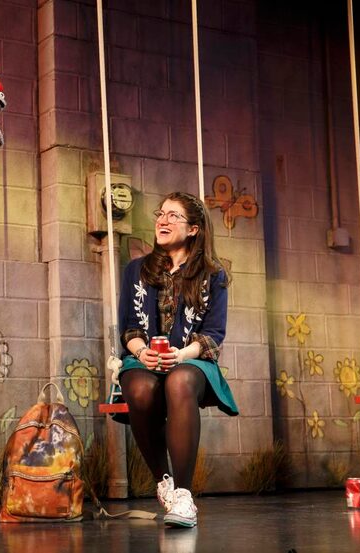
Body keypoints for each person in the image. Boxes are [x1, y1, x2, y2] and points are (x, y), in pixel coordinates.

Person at [117, 191, 239, 528]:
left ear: (194, 230)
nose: (162, 220)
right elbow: (129, 328)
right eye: (161, 214)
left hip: (191, 360)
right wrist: (143, 352)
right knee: (140, 388)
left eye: (173, 216)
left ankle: (184, 496)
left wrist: (179, 355)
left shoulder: (214, 276)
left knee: (180, 379)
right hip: (145, 357)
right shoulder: (135, 271)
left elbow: (213, 336)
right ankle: (165, 483)